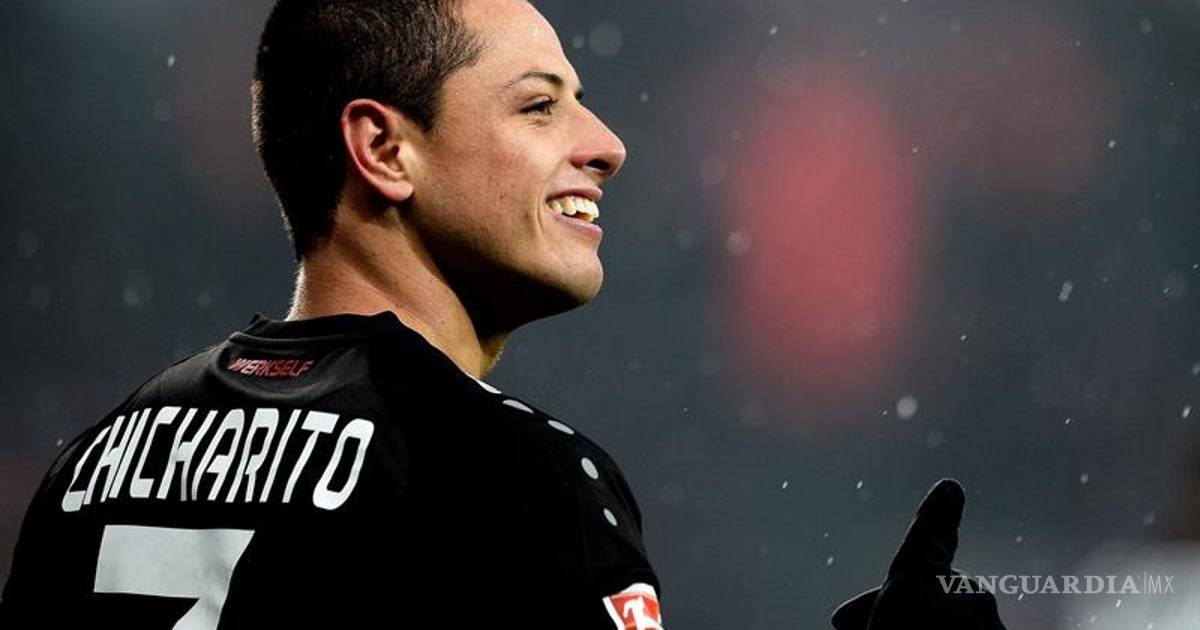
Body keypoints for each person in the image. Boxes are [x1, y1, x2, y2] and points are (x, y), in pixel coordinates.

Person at [0, 1, 664, 628]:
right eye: (540, 106)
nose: (607, 146)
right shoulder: (518, 477)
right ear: (384, 149)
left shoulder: (94, 464)